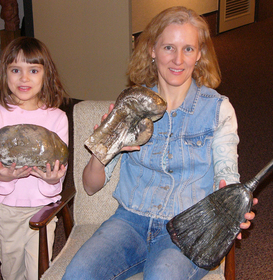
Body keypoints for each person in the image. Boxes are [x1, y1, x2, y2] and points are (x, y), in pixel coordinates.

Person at [62, 6, 257, 280]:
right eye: (168, 47)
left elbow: (226, 176)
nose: (178, 59)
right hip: (129, 221)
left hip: (187, 228)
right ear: (152, 49)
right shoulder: (131, 105)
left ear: (199, 54)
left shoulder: (218, 110)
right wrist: (103, 149)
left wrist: (231, 206)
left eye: (188, 49)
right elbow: (90, 186)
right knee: (77, 274)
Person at [0, 37, 69, 280]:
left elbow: (60, 164)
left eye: (33, 70)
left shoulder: (57, 118)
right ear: (5, 75)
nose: (24, 78)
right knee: (12, 270)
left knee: (40, 271)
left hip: (42, 209)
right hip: (5, 208)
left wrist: (52, 180)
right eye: (15, 70)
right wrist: (0, 174)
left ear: (46, 75)